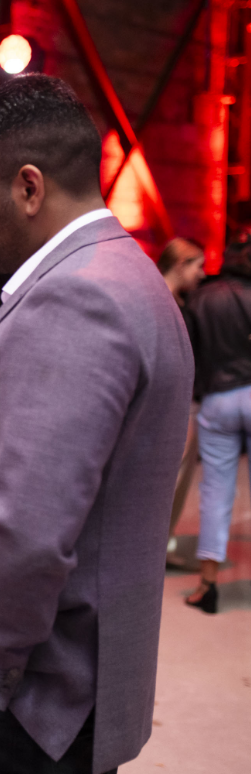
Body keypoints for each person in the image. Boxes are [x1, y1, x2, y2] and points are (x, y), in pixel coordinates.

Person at [0, 75, 193, 774]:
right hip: (73, 681)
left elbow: (31, 528)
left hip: (27, 703)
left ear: (28, 186)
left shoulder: (77, 299)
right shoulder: (129, 276)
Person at [182, 231, 251, 614]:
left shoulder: (201, 297)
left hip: (217, 400)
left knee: (215, 494)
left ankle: (207, 586)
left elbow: (190, 351)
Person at [158, 237, 206, 566]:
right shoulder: (161, 300)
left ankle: (160, 547)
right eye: (198, 265)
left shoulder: (175, 300)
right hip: (168, 406)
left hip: (178, 401)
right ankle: (153, 550)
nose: (203, 273)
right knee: (167, 481)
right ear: (180, 264)